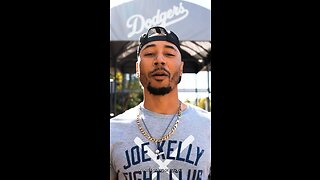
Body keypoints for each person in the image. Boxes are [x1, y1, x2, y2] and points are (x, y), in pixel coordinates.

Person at [110, 26, 211, 180]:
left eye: (169, 54)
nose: (159, 60)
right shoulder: (113, 130)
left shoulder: (208, 126)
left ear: (181, 67)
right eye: (150, 54)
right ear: (137, 68)